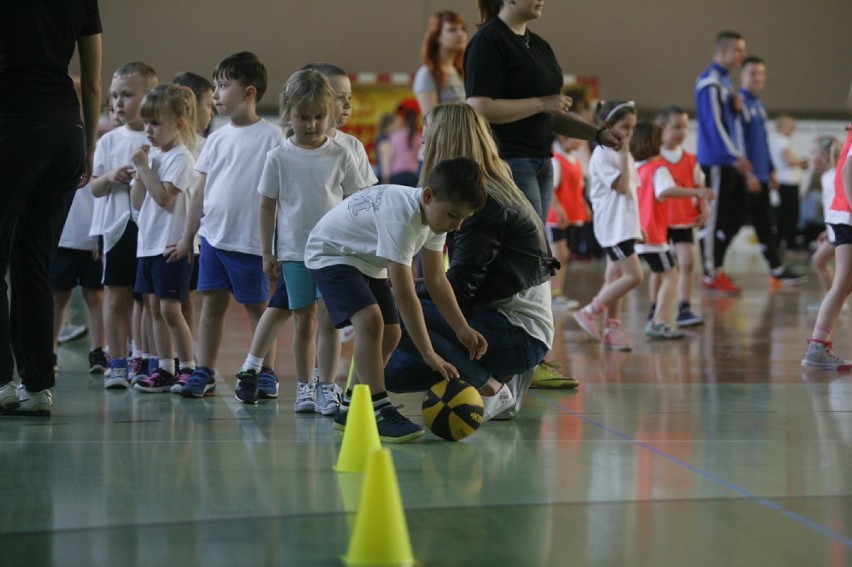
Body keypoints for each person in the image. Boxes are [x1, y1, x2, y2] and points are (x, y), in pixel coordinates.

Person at [385, 104, 572, 420]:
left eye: (427, 141)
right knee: (397, 371)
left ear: (444, 145)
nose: (422, 149)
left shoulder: (481, 203)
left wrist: (398, 290)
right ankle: (501, 375)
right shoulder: (490, 185)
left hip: (516, 333)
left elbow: (460, 288)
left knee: (388, 309)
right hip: (514, 324)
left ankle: (491, 388)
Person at [305, 157, 489, 442]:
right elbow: (405, 296)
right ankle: (379, 407)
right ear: (428, 195)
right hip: (330, 252)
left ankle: (352, 405)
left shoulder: (433, 220)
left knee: (391, 332)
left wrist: (461, 327)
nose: (457, 226)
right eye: (453, 215)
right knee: (370, 320)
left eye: (463, 218)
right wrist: (429, 354)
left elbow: (436, 279)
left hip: (365, 259)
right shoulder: (402, 216)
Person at [234, 69, 365, 409]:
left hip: (334, 253)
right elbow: (266, 206)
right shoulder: (278, 157)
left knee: (329, 319)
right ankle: (305, 386)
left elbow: (357, 202)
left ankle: (327, 384)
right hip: (294, 252)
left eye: (319, 117)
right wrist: (267, 251)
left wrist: (357, 248)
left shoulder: (341, 154)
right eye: (302, 117)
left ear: (330, 114)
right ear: (288, 114)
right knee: (302, 318)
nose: (310, 124)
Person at [0, 0, 102, 415]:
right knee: (34, 260)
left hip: (11, 125)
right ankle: (39, 386)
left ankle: (4, 383)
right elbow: (93, 83)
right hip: (66, 132)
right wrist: (90, 145)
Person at [169, 52, 282, 398]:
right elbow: (199, 192)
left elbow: (280, 197)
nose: (215, 94)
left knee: (259, 310)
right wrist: (189, 237)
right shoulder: (216, 137)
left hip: (250, 244)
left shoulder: (272, 137)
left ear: (249, 93)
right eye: (214, 87)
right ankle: (204, 371)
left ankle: (264, 371)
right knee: (210, 308)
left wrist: (273, 248)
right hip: (215, 240)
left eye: (222, 86)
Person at [464, 0, 622, 222]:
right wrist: (540, 103)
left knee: (533, 245)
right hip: (507, 160)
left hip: (541, 160)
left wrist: (597, 134)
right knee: (527, 243)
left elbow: (551, 113)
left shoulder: (540, 46)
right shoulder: (489, 40)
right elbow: (479, 106)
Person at [95, 63, 161, 389]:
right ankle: (117, 360)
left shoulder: (158, 138)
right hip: (117, 229)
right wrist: (111, 177)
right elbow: (93, 187)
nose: (118, 103)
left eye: (127, 95)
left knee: (148, 299)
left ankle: (145, 357)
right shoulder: (109, 141)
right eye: (115, 96)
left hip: (151, 231)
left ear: (149, 97)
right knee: (116, 297)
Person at [129, 85, 198, 393]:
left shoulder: (182, 158)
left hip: (170, 243)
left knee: (171, 309)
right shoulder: (153, 156)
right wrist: (139, 173)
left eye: (155, 123)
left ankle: (187, 367)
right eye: (146, 123)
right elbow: (137, 201)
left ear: (178, 124)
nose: (148, 130)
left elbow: (165, 198)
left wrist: (144, 168)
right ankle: (164, 367)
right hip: (148, 243)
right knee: (155, 308)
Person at [631, 120, 715, 338]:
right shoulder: (658, 168)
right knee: (670, 276)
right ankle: (658, 321)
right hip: (654, 235)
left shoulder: (635, 168)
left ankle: (600, 312)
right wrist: (697, 193)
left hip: (638, 233)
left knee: (624, 276)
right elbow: (667, 191)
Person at [572, 101, 641, 351]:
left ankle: (612, 328)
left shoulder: (623, 154)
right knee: (634, 275)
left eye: (632, 128)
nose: (629, 134)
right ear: (607, 127)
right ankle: (590, 312)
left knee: (615, 275)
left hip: (625, 225)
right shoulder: (603, 155)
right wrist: (623, 156)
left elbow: (634, 190)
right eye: (624, 127)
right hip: (614, 227)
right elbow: (622, 187)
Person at [737, 55, 806, 288]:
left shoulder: (758, 105)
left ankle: (777, 268)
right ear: (742, 75)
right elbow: (738, 143)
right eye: (753, 73)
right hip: (746, 177)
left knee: (766, 224)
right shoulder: (738, 104)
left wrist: (770, 169)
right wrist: (748, 174)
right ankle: (711, 271)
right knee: (729, 224)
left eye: (762, 74)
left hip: (762, 176)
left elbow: (762, 142)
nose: (758, 78)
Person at [694, 31, 750, 294]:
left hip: (726, 160)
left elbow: (728, 120)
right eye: (738, 50)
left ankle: (716, 262)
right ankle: (710, 272)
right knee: (714, 218)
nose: (742, 56)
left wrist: (736, 108)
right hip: (716, 160)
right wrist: (733, 155)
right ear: (724, 51)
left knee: (735, 213)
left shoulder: (726, 82)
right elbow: (713, 125)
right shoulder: (712, 82)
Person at [801, 84, 852, 370]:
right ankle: (817, 348)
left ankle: (819, 347)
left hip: (842, 216)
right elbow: (848, 172)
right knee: (842, 282)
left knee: (845, 284)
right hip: (848, 216)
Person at [654, 106, 709, 326]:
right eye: (676, 126)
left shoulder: (691, 160)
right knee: (661, 269)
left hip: (685, 218)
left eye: (685, 127)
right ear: (662, 129)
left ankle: (684, 307)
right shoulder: (654, 159)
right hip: (660, 219)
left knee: (688, 263)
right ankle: (654, 307)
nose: (681, 131)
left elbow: (700, 186)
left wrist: (704, 208)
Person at [171, 71, 215, 340]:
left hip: (196, 239)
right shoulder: (166, 147)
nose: (211, 111)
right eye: (208, 105)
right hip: (164, 236)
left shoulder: (208, 146)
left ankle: (183, 358)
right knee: (154, 302)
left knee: (185, 300)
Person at [548, 133, 589, 310]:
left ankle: (557, 292)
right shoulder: (556, 160)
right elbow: (550, 189)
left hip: (572, 215)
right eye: (576, 136)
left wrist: (584, 206)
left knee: (565, 256)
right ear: (563, 138)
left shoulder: (575, 161)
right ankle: (552, 294)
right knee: (558, 255)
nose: (580, 140)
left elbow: (578, 189)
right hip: (557, 217)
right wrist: (559, 210)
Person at [807, 137, 842, 313]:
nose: (810, 157)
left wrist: (832, 230)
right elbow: (831, 208)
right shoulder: (828, 176)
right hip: (834, 231)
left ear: (825, 155)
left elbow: (842, 206)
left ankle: (834, 302)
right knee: (819, 260)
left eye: (813, 153)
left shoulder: (835, 176)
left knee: (821, 261)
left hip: (841, 232)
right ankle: (833, 301)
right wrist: (827, 229)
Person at [413, 10, 468, 116]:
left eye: (463, 29)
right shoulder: (427, 73)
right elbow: (431, 120)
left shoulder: (461, 71)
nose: (461, 34)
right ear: (437, 36)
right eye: (452, 30)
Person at [769, 115, 808, 252]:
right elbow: (789, 161)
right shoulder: (783, 142)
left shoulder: (777, 141)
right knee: (790, 214)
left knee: (784, 214)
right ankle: (789, 244)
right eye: (792, 127)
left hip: (784, 181)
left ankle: (779, 243)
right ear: (784, 127)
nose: (793, 130)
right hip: (787, 182)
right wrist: (801, 162)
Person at [388, 107, 421, 186]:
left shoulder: (395, 135)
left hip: (397, 173)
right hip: (414, 173)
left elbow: (391, 157)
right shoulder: (419, 137)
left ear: (404, 120)